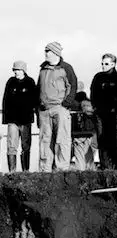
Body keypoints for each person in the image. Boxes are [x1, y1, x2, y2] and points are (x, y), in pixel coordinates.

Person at [38, 41, 78, 172]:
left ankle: (62, 169)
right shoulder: (43, 69)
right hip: (44, 110)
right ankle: (45, 170)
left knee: (62, 139)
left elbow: (72, 85)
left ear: (55, 53)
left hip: (60, 108)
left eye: (47, 51)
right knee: (45, 141)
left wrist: (66, 103)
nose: (45, 53)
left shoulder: (66, 68)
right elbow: (39, 88)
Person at [90, 53, 117, 169]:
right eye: (102, 64)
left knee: (113, 138)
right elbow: (93, 93)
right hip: (100, 113)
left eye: (106, 64)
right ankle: (105, 165)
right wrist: (95, 107)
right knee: (101, 139)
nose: (103, 66)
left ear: (113, 64)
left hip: (112, 113)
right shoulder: (98, 77)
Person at [3, 61, 37, 172]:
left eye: (18, 69)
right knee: (11, 146)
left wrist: (33, 115)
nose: (16, 72)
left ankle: (25, 171)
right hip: (12, 120)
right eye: (14, 70)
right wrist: (5, 118)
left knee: (26, 146)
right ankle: (12, 172)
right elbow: (5, 100)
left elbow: (34, 99)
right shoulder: (10, 82)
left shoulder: (30, 82)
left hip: (25, 120)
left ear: (23, 70)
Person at [66, 80, 98, 170]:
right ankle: (90, 174)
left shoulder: (72, 103)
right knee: (89, 158)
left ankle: (81, 175)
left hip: (77, 133)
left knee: (79, 157)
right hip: (90, 132)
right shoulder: (89, 102)